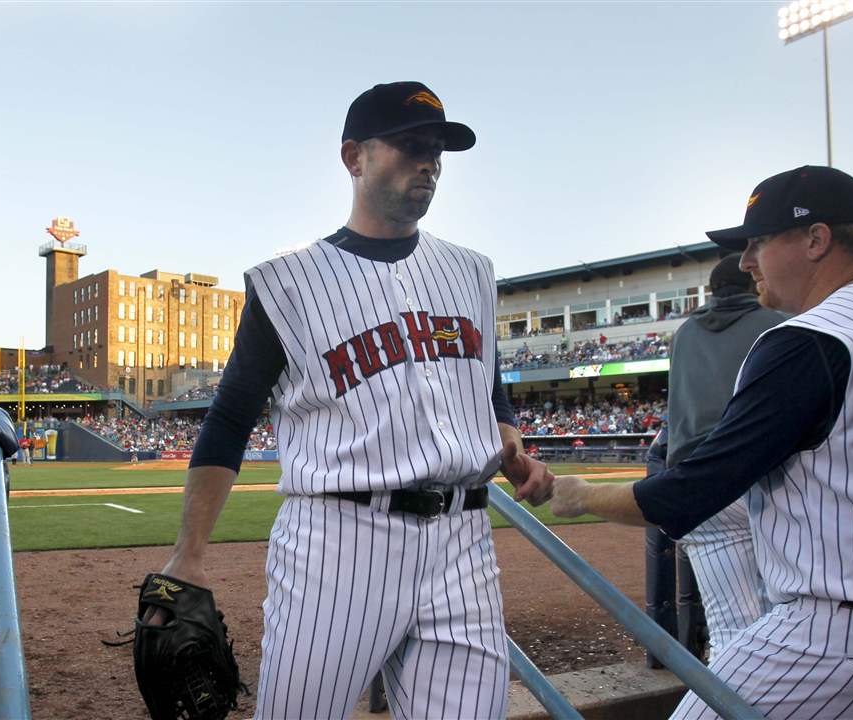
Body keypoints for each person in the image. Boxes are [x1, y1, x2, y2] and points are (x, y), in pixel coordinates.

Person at [148, 81, 553, 720]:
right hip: (340, 544)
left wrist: (510, 438)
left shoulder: (473, 271)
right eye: (410, 146)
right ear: (353, 158)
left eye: (439, 151)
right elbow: (230, 417)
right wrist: (190, 553)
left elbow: (486, 378)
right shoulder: (288, 282)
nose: (430, 163)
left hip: (464, 539)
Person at [551, 166, 853, 719]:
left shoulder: (810, 339)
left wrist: (578, 495)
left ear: (816, 240)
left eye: (758, 242)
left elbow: (687, 494)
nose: (745, 261)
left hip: (851, 645)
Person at [663, 254, 784, 657]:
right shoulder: (779, 323)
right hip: (762, 477)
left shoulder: (683, 333)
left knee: (729, 632)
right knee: (786, 621)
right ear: (753, 283)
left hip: (695, 485)